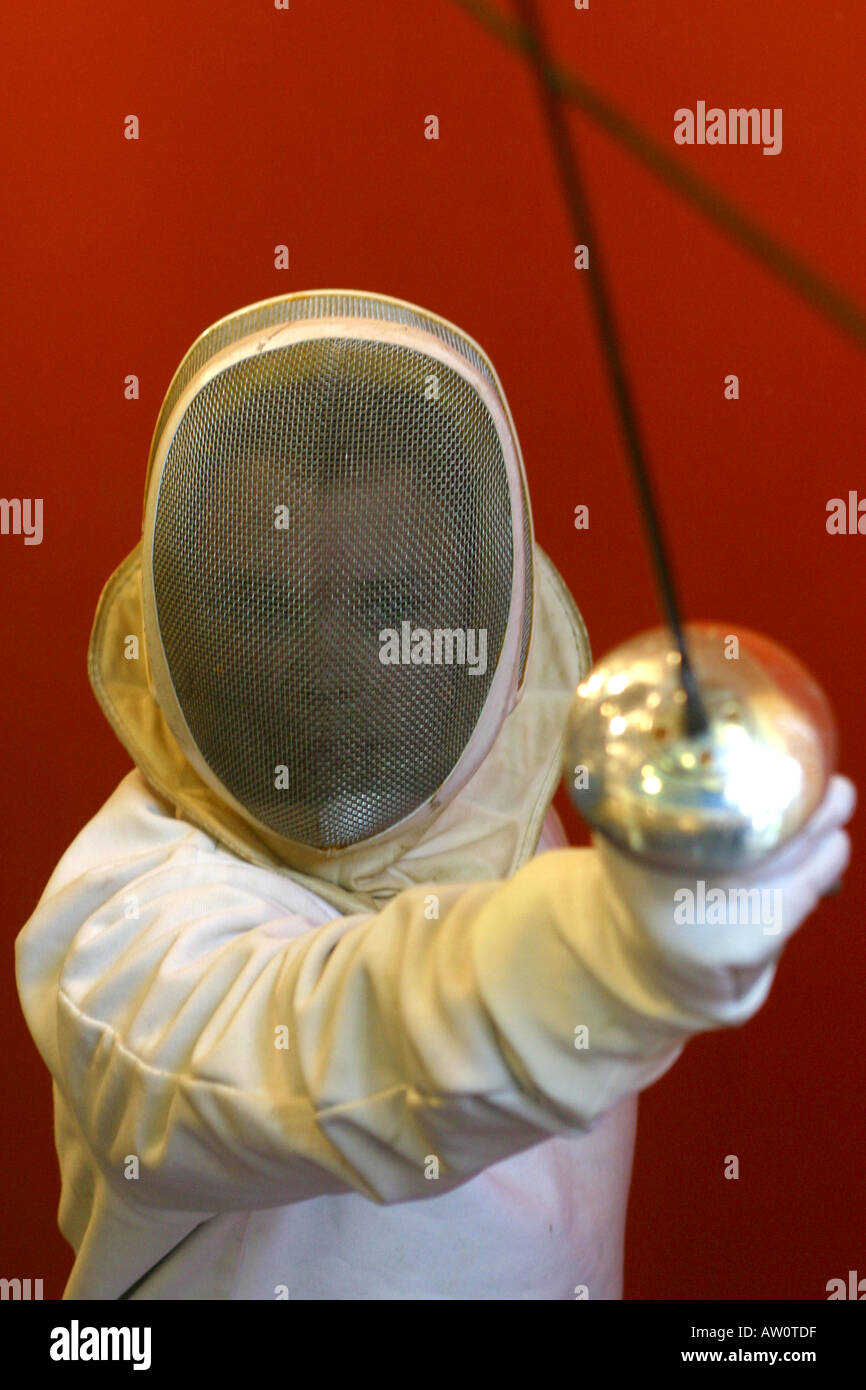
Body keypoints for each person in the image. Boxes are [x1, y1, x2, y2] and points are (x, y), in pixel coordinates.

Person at [15, 290, 854, 1300]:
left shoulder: (513, 838)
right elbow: (327, 1043)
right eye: (261, 602)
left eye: (389, 606)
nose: (323, 658)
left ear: (484, 612)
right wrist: (608, 951)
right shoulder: (123, 925)